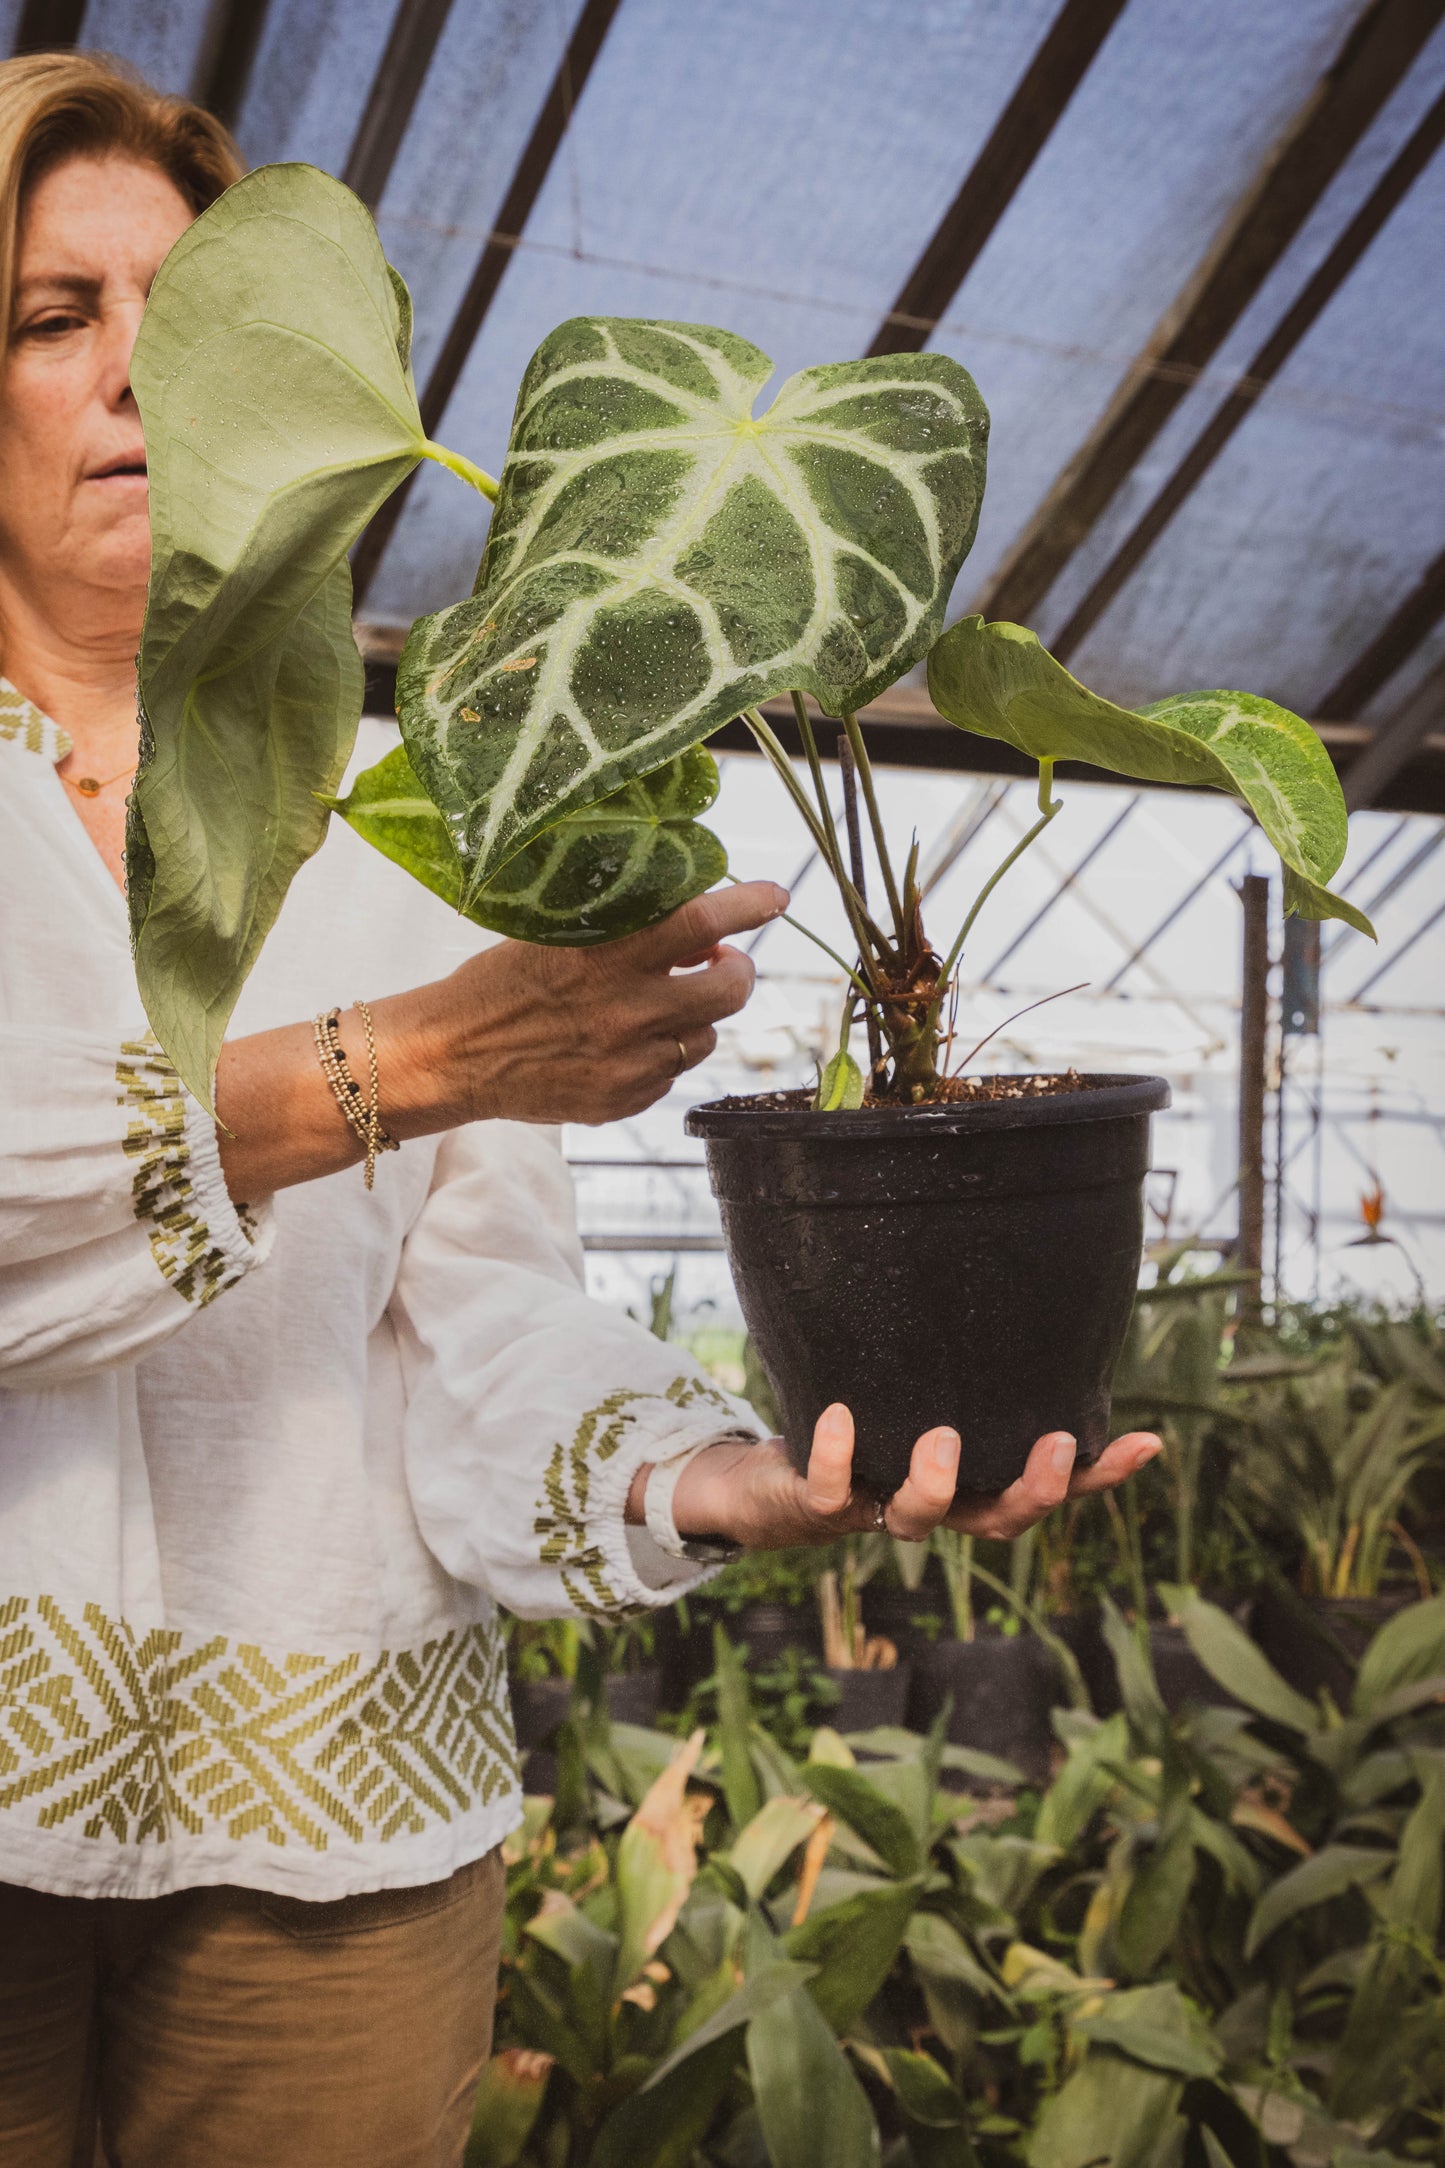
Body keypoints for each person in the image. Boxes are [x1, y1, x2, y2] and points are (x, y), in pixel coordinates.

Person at [0, 50, 1161, 2168]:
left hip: (329, 1837)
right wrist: (414, 1057)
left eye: (195, 319)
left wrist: (713, 1473)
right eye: (52, 317)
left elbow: (477, 1324)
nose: (138, 380)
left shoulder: (411, 793)